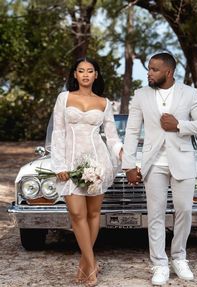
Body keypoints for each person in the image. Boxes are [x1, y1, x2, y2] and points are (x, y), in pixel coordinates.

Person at [122, 52, 197, 285]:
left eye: (154, 69)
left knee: (184, 210)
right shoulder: (141, 95)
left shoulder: (188, 93)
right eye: (149, 69)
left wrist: (179, 125)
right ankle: (159, 263)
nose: (149, 73)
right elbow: (132, 131)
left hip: (182, 161)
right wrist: (129, 164)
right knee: (155, 214)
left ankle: (179, 257)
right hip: (153, 164)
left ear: (168, 72)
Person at [50, 57, 122, 287]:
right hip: (70, 164)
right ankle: (91, 266)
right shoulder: (64, 98)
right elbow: (58, 133)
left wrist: (122, 154)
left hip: (96, 162)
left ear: (96, 75)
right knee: (77, 214)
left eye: (90, 71)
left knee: (93, 215)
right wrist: (59, 165)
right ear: (74, 74)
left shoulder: (104, 102)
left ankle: (86, 264)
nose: (85, 74)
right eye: (81, 71)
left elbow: (111, 135)